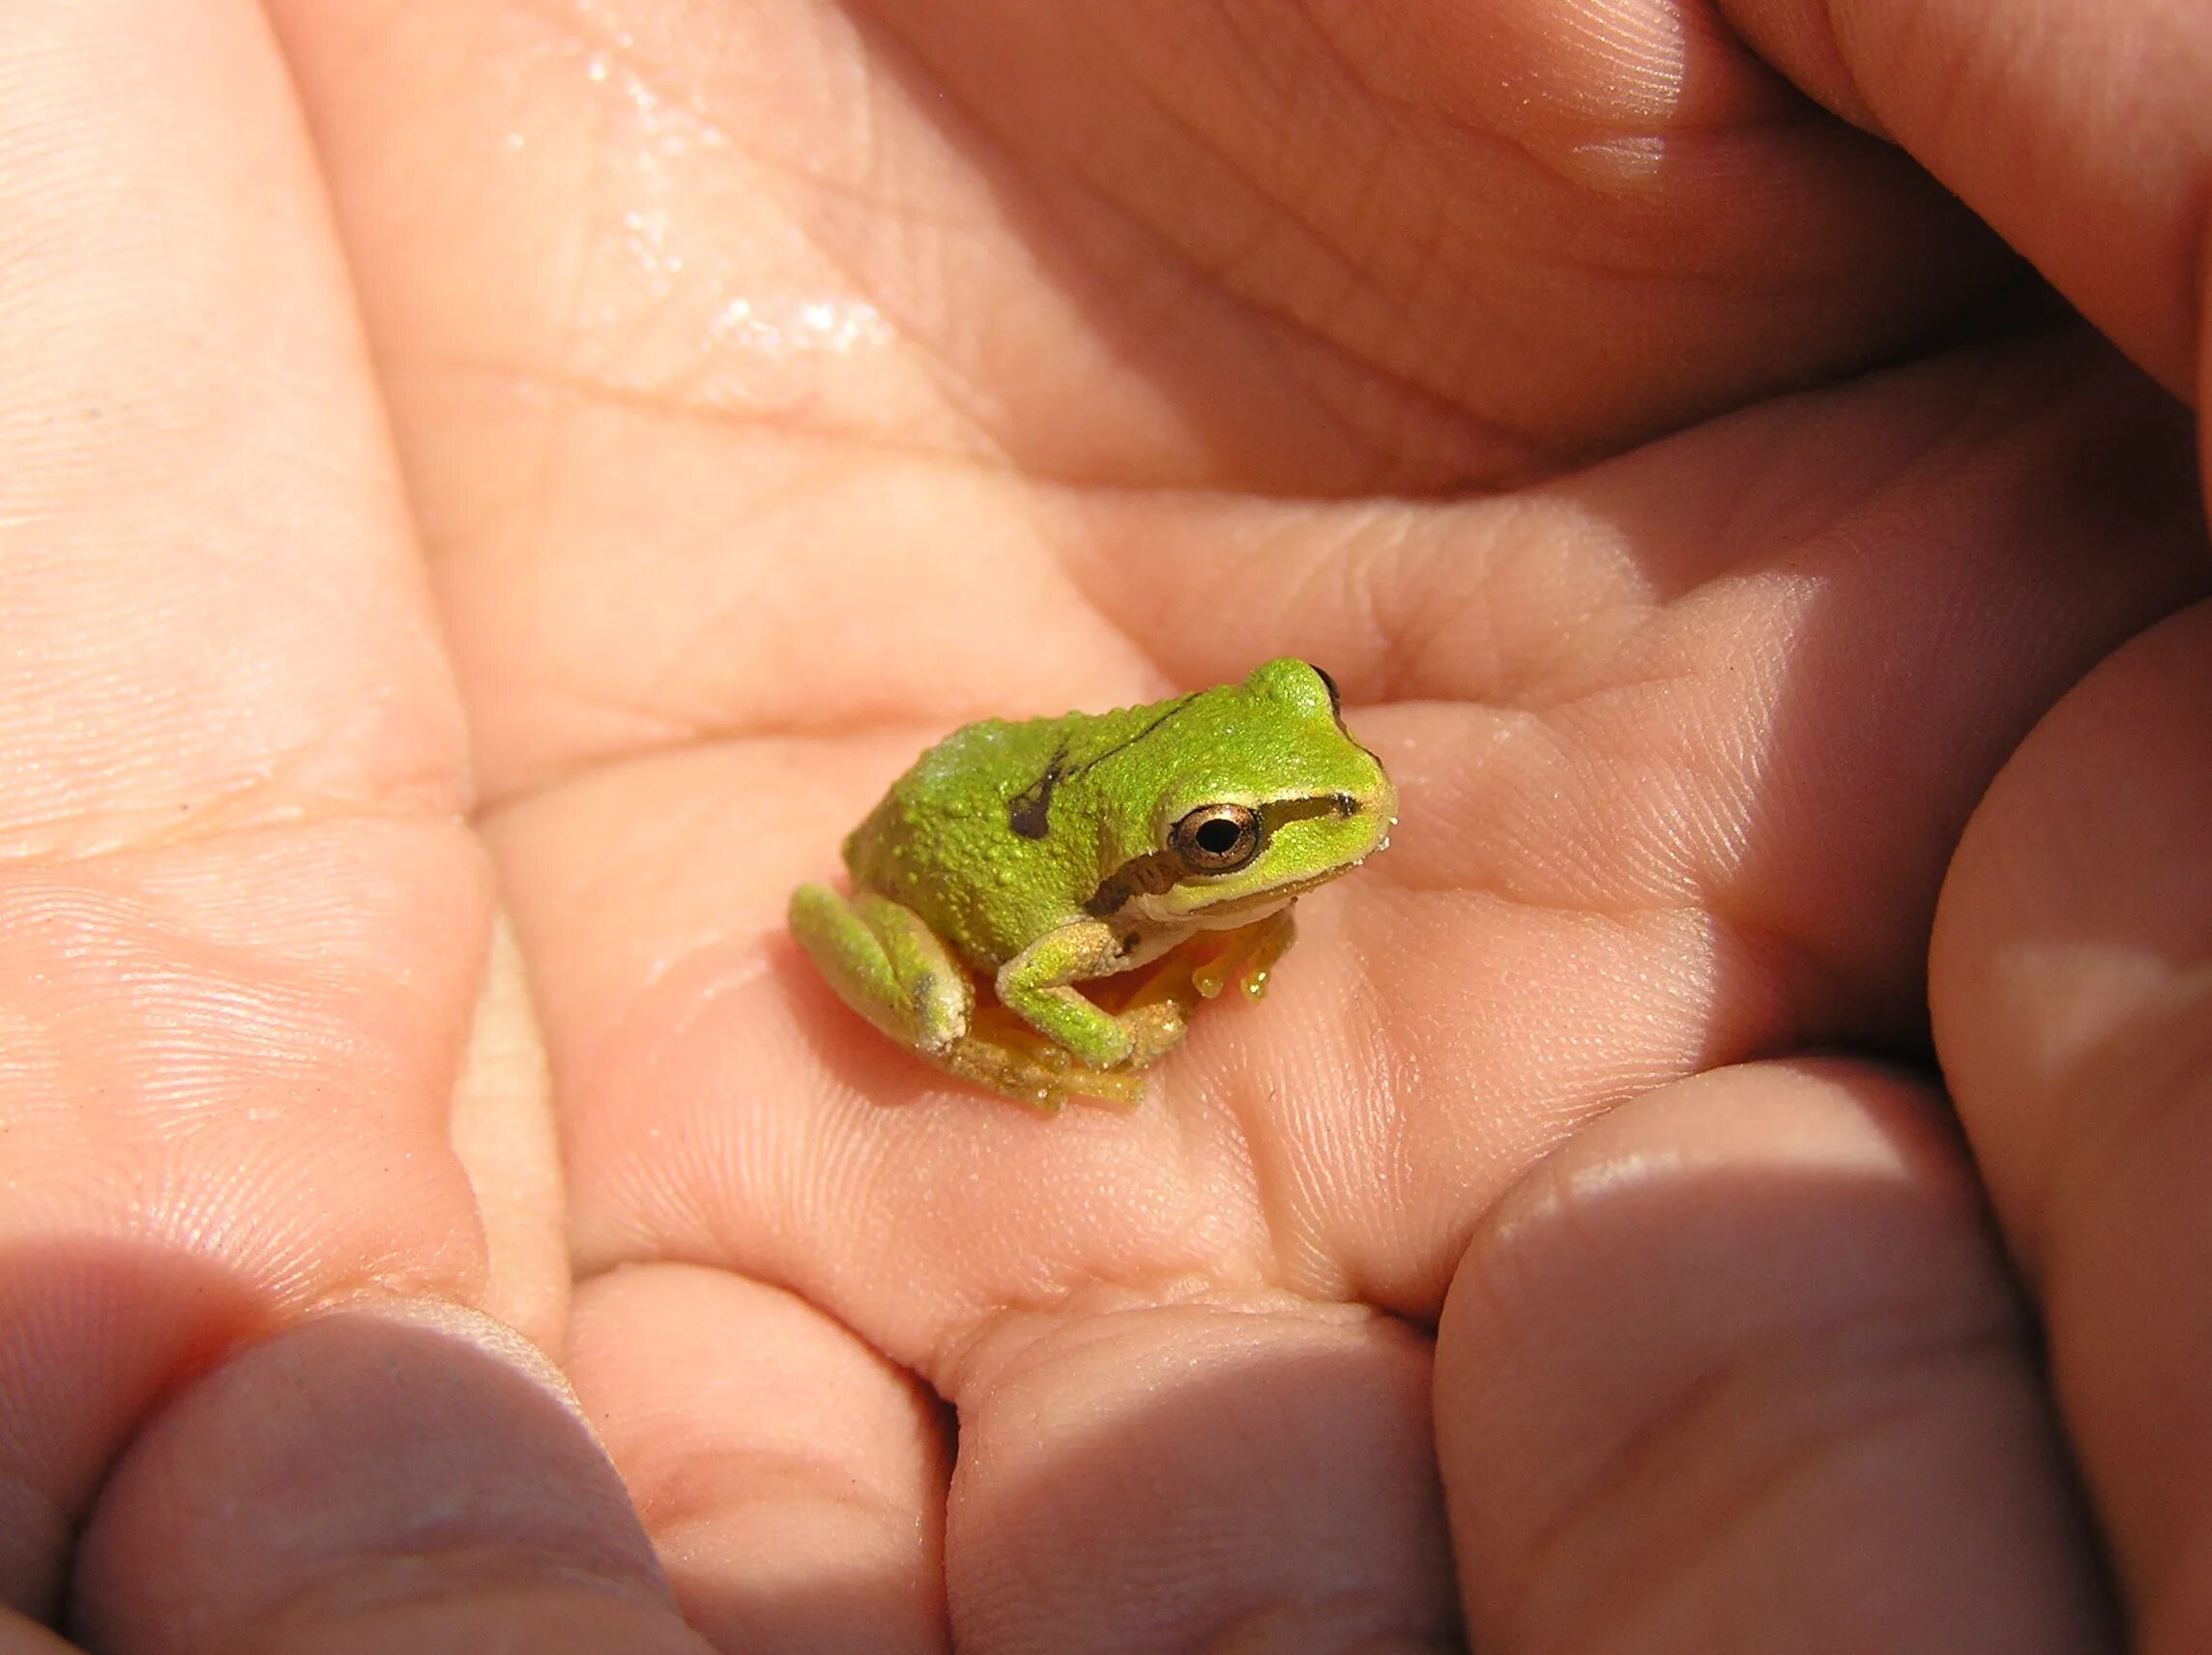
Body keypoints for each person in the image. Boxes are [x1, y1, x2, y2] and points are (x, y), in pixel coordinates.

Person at [5, 1, 2204, 1648]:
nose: (1332, 808)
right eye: (1256, 832)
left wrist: (1228, 885)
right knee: (999, 975)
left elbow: (1262, 779)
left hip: (1032, 769)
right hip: (942, 878)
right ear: (1190, 844)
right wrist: (1054, 1038)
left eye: (1294, 771)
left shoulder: (1260, 769)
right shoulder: (1086, 922)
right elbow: (1058, 963)